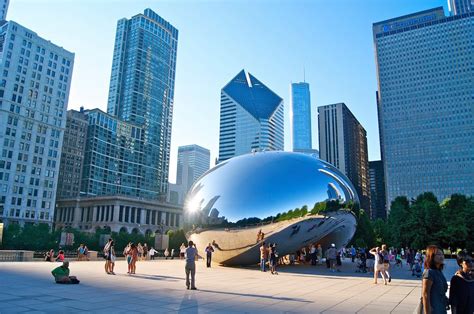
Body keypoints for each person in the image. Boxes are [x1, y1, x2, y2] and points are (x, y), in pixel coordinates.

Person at [421, 245, 448, 314]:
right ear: (431, 256)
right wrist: (427, 311)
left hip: (441, 307)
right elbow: (425, 294)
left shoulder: (439, 271)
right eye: (438, 254)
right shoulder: (429, 272)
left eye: (442, 254)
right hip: (434, 309)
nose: (441, 256)